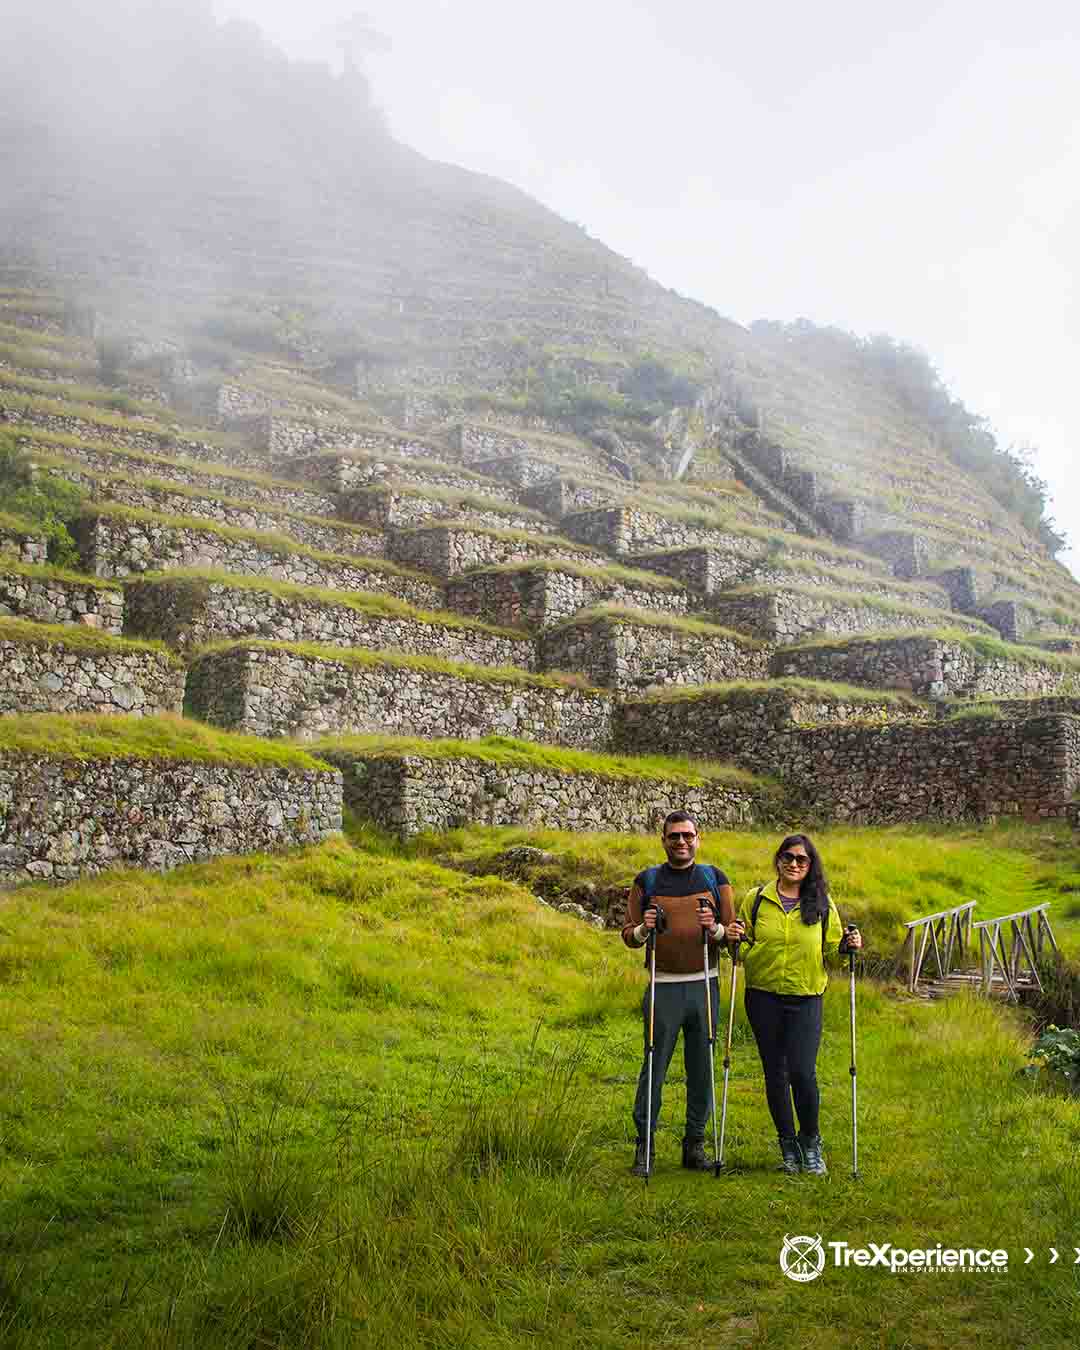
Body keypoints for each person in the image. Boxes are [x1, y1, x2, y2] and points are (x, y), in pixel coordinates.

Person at [725, 833, 862, 1176]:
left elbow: (832, 953)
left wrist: (848, 946)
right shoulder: (756, 899)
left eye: (802, 859)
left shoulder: (822, 903)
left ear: (810, 865)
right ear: (778, 859)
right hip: (763, 995)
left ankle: (811, 1141)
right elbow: (741, 948)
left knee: (802, 1072)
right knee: (776, 1073)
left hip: (806, 997)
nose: (794, 864)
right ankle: (787, 1144)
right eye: (788, 857)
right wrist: (735, 943)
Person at [622, 811, 735, 1175]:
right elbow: (628, 934)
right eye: (674, 836)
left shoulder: (715, 879)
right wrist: (643, 929)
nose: (681, 842)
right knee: (654, 1065)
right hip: (663, 985)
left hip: (705, 983)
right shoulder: (647, 881)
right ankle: (646, 1146)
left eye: (687, 836)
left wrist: (715, 929)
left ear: (698, 838)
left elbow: (734, 934)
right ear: (663, 840)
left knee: (701, 1067)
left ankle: (695, 1145)